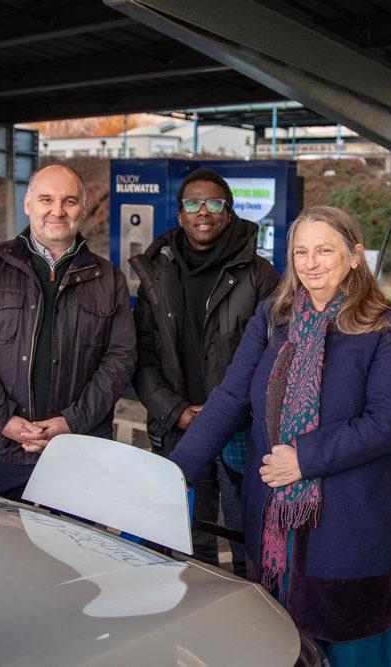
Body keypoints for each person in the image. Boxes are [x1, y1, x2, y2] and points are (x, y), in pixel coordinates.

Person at [169, 205, 391, 666]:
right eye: (301, 252)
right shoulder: (273, 318)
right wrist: (174, 472)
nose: (311, 263)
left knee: (350, 645)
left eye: (324, 250)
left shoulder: (387, 327)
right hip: (272, 519)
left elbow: (387, 423)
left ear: (355, 256)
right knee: (277, 642)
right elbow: (230, 397)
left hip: (348, 522)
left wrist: (304, 458)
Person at [0, 163, 137, 501]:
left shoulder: (108, 278)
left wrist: (71, 422)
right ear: (27, 204)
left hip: (78, 450)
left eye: (69, 201)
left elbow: (121, 358)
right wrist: (3, 418)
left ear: (83, 208)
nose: (57, 211)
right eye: (46, 199)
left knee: (72, 537)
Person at [130, 167, 279, 575]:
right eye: (193, 203)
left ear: (228, 212)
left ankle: (250, 611)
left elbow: (274, 359)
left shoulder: (259, 275)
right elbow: (141, 353)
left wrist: (222, 414)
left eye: (214, 203)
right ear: (180, 214)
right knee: (184, 545)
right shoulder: (155, 272)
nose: (203, 211)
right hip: (176, 427)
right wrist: (174, 409)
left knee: (248, 540)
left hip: (239, 432)